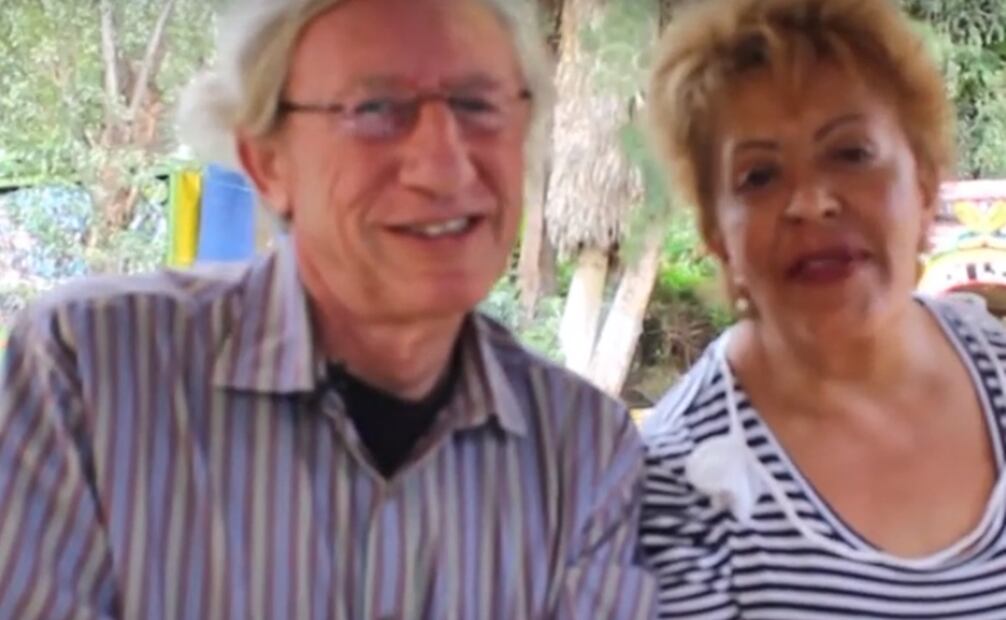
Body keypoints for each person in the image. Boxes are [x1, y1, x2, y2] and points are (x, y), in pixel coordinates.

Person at [0, 0, 656, 617]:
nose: (445, 166)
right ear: (267, 163)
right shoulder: (93, 370)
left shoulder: (582, 448)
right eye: (375, 108)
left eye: (478, 105)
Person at [638, 0, 1006, 617]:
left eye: (851, 153)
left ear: (924, 187)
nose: (810, 202)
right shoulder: (680, 488)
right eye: (759, 176)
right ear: (717, 237)